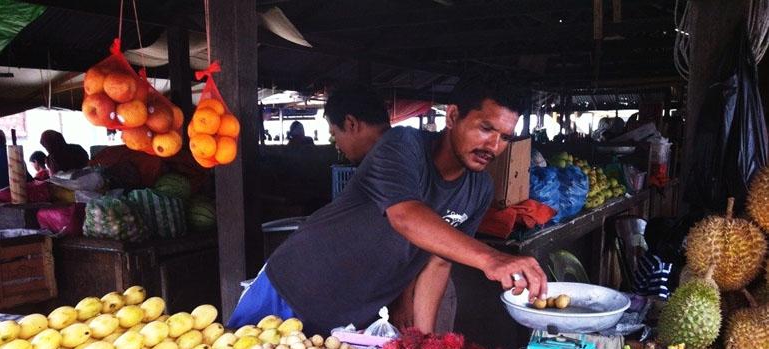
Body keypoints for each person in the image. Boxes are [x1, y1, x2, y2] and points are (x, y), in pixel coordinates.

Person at [229, 76, 547, 334]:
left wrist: (421, 344)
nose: (493, 146)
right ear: (452, 116)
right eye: (485, 128)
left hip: (348, 318)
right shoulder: (402, 146)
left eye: (505, 137)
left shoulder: (479, 188)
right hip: (290, 289)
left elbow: (437, 263)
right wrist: (491, 259)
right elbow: (406, 216)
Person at [325, 83, 391, 164]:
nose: (337, 146)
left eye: (334, 133)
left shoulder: (381, 172)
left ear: (351, 124)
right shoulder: (407, 147)